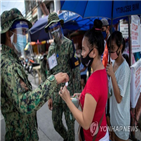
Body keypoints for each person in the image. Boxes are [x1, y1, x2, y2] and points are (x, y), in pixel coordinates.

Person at [0, 8, 69, 141]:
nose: (25, 37)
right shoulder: (7, 65)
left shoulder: (13, 60)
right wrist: (52, 81)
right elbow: (25, 103)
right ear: (9, 34)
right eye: (22, 32)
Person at [59, 28, 109, 141]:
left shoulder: (94, 80)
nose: (81, 54)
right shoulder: (102, 71)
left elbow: (86, 123)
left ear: (94, 52)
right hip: (101, 133)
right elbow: (96, 98)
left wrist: (67, 99)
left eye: (84, 50)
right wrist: (83, 95)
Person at [44, 12, 81, 141]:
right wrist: (49, 96)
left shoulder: (69, 44)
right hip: (56, 94)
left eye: (55, 27)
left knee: (70, 125)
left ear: (60, 26)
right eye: (51, 28)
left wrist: (78, 93)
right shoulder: (51, 49)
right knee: (57, 124)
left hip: (68, 92)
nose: (54, 30)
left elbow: (76, 70)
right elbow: (49, 72)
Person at [106, 31, 130, 141]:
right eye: (109, 47)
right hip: (113, 118)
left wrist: (112, 75)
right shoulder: (113, 64)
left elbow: (119, 98)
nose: (111, 51)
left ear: (120, 46)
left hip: (121, 121)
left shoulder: (124, 68)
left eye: (113, 47)